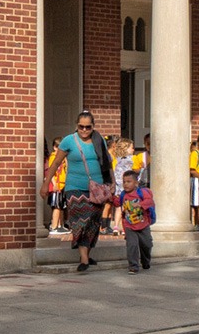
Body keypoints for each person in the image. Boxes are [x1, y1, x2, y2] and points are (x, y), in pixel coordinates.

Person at [46, 110, 115, 273]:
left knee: (93, 222)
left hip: (97, 189)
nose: (84, 130)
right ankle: (84, 259)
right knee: (79, 222)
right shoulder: (69, 141)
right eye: (81, 127)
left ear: (93, 126)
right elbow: (56, 163)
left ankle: (86, 254)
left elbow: (107, 163)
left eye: (88, 127)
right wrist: (46, 183)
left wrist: (112, 183)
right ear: (76, 126)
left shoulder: (99, 140)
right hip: (74, 188)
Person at [118, 169, 156, 272]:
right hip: (129, 225)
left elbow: (150, 202)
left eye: (129, 182)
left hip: (143, 224)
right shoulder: (123, 195)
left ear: (136, 183)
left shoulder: (142, 193)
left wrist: (140, 204)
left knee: (147, 245)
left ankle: (146, 261)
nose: (125, 184)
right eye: (124, 182)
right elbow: (117, 202)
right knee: (132, 245)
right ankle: (133, 266)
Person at [44, 141, 68, 236]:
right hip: (56, 184)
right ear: (55, 147)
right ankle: (54, 226)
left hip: (62, 185)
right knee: (57, 206)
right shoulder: (53, 157)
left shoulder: (63, 158)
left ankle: (59, 225)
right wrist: (54, 183)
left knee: (61, 206)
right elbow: (51, 171)